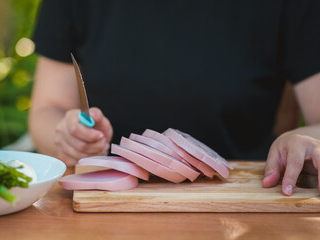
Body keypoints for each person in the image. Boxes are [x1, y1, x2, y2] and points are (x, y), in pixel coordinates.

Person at [29, 0, 320, 196]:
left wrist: (304, 138)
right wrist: (69, 136)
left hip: (244, 194)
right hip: (105, 201)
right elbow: (46, 110)